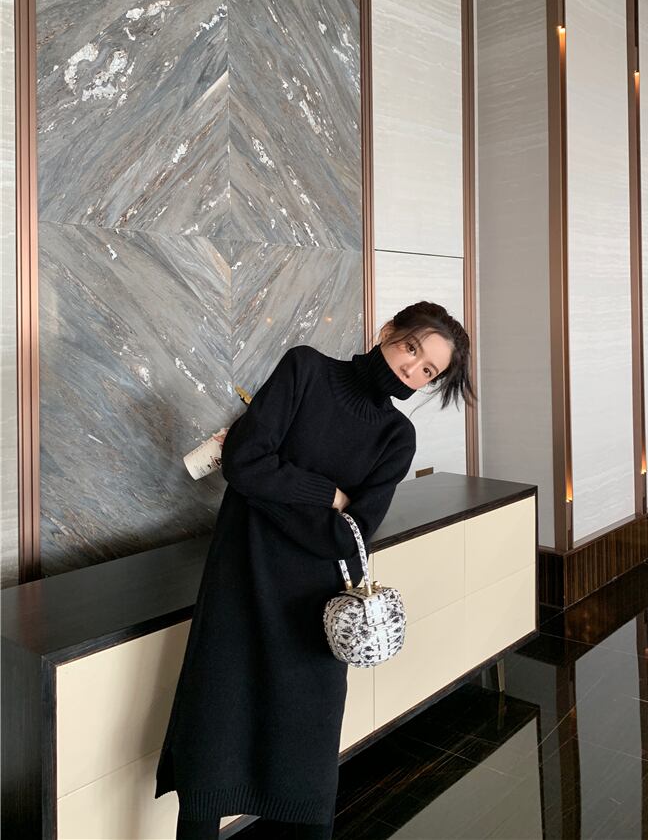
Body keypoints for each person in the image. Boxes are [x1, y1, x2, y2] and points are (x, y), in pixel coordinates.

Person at [154, 301, 476, 840]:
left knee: (306, 763)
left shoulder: (396, 437)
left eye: (428, 370)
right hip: (240, 581)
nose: (412, 369)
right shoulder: (305, 369)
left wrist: (270, 489)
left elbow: (349, 535)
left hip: (315, 608)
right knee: (212, 741)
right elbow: (242, 462)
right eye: (412, 348)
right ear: (388, 331)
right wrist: (326, 494)